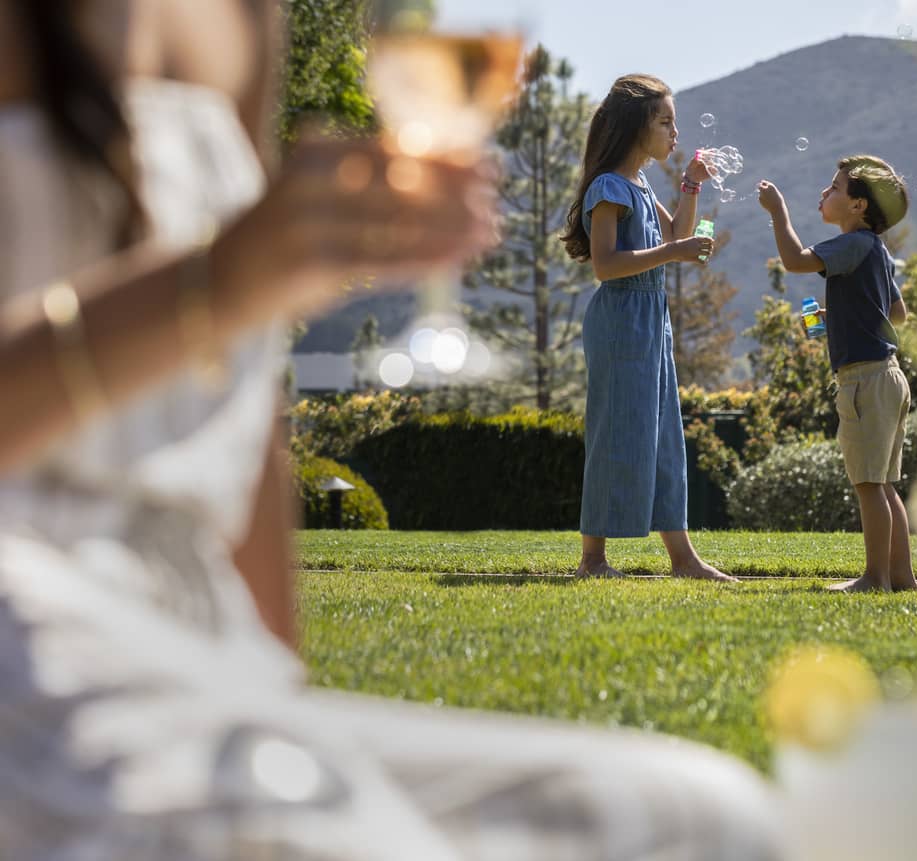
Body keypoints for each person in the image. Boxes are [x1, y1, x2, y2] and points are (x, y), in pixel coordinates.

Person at [0, 2, 782, 857]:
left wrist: (273, 696)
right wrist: (221, 282)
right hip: (31, 620)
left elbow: (246, 380)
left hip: (195, 645)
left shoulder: (245, 16)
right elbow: (228, 289)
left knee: (711, 817)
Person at [560, 74, 736, 582]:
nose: (674, 133)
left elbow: (681, 232)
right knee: (615, 434)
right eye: (665, 121)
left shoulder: (638, 184)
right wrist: (676, 251)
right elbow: (607, 265)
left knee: (660, 437)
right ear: (638, 125)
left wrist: (692, 184)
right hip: (620, 319)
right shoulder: (608, 187)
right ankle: (593, 561)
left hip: (650, 319)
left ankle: (683, 559)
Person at [755, 155, 914, 592]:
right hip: (889, 376)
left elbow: (794, 261)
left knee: (867, 484)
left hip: (864, 379)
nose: (826, 194)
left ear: (859, 206)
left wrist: (778, 212)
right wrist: (849, 313)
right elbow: (897, 313)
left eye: (835, 188)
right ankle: (901, 578)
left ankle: (875, 578)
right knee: (883, 485)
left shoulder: (853, 243)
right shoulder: (877, 251)